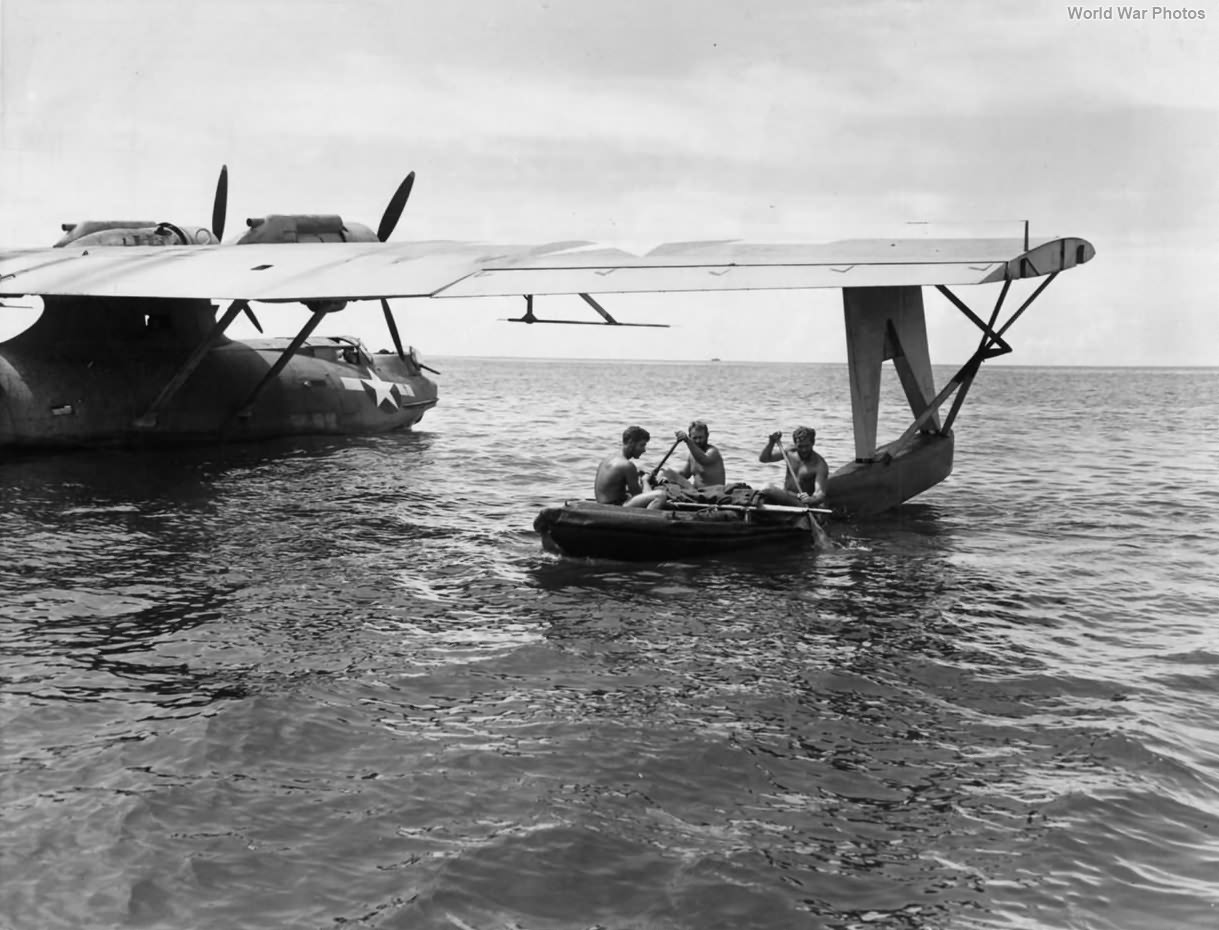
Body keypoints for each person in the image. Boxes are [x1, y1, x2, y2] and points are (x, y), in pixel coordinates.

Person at [594, 425, 668, 508]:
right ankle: (646, 519)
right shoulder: (627, 465)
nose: (644, 450)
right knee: (660, 495)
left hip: (603, 505)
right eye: (642, 445)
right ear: (631, 443)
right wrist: (645, 481)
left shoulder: (608, 459)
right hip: (613, 508)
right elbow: (638, 495)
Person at [758, 426, 829, 506]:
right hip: (787, 496)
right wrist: (771, 442)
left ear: (813, 443)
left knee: (767, 487)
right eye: (800, 446)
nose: (804, 450)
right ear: (795, 443)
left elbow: (820, 494)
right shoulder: (790, 452)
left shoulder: (819, 464)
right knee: (760, 494)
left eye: (807, 446)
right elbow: (764, 459)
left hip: (803, 503)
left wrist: (810, 499)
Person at [660, 419, 726, 490]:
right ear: (690, 436)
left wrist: (687, 441)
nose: (698, 441)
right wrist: (666, 475)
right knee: (666, 472)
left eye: (701, 437)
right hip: (697, 492)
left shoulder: (713, 452)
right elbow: (685, 474)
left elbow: (703, 459)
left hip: (712, 494)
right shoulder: (692, 455)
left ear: (707, 436)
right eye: (695, 438)